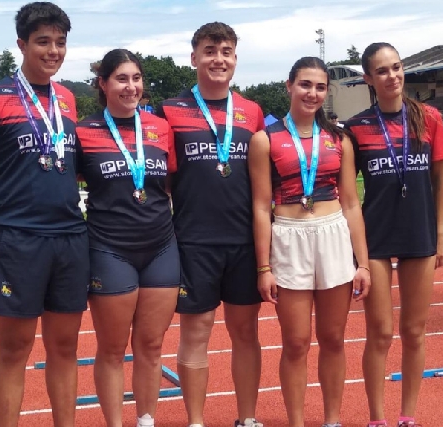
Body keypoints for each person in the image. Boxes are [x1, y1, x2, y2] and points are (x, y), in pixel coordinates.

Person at [0, 3, 88, 427]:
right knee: (14, 350)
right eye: (43, 42)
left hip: (70, 237)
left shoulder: (68, 99)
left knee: (65, 348)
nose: (53, 51)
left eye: (60, 42)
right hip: (16, 238)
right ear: (22, 44)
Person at [249, 56, 371, 427]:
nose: (312, 93)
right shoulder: (265, 139)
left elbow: (351, 203)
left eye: (320, 87)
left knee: (333, 339)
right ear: (289, 86)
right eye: (305, 84)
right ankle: (297, 422)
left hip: (333, 233)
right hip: (288, 236)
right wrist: (264, 267)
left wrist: (362, 262)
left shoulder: (339, 139)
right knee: (296, 342)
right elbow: (259, 207)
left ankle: (332, 420)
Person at [156, 22, 265, 427]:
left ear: (235, 58)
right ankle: (196, 421)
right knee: (196, 335)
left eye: (226, 51)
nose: (218, 59)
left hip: (243, 242)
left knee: (246, 334)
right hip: (193, 240)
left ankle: (248, 418)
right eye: (209, 50)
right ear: (194, 57)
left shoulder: (252, 111)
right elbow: (156, 171)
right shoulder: (169, 110)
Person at [345, 42, 443, 427]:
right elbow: (348, 194)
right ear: (369, 79)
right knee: (380, 331)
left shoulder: (429, 118)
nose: (393, 76)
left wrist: (441, 233)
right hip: (375, 238)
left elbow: (439, 181)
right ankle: (377, 418)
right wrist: (355, 251)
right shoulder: (356, 128)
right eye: (383, 71)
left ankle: (408, 415)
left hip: (419, 233)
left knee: (413, 330)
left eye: (397, 67)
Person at [76, 49, 179, 427]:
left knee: (151, 346)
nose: (131, 86)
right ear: (103, 84)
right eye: (121, 78)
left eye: (136, 78)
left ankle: (146, 420)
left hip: (161, 247)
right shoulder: (83, 132)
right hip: (109, 249)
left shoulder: (160, 127)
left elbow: (170, 182)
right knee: (113, 350)